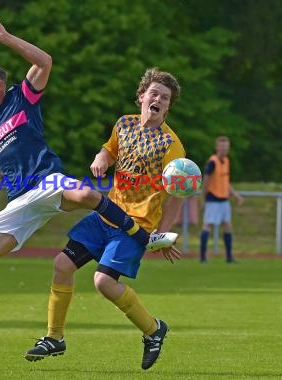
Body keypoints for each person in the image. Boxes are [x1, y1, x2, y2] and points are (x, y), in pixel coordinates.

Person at [0, 18, 166, 356]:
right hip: (20, 200)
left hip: (47, 180)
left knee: (86, 194)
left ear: (0, 84)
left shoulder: (20, 99)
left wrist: (4, 37)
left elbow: (45, 61)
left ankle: (143, 236)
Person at [24, 68, 185, 370]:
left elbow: (178, 195)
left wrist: (161, 235)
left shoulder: (171, 146)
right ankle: (54, 338)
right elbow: (110, 150)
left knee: (103, 283)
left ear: (168, 106)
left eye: (165, 98)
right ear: (141, 97)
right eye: (154, 93)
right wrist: (102, 157)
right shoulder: (124, 124)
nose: (158, 99)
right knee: (61, 265)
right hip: (106, 214)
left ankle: (153, 330)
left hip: (135, 227)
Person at [199, 136, 244, 263]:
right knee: (207, 225)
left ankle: (229, 256)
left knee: (228, 226)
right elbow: (206, 180)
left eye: (226, 146)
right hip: (213, 198)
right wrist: (203, 197)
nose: (224, 149)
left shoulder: (226, 161)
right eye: (222, 146)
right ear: (217, 147)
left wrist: (235, 195)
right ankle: (203, 256)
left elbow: (226, 182)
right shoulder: (212, 162)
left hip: (224, 199)